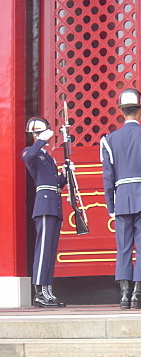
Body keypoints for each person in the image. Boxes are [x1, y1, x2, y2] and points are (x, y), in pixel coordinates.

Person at [100, 88, 141, 309]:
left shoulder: (109, 140)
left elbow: (108, 176)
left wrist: (110, 203)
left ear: (122, 111)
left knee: (124, 247)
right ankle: (138, 294)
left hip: (122, 198)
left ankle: (124, 295)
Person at [22, 116, 67, 308]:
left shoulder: (48, 158)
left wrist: (65, 175)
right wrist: (41, 139)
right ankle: (39, 291)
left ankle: (47, 290)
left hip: (54, 204)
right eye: (40, 134)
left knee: (50, 251)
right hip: (44, 205)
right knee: (42, 251)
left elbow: (56, 184)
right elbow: (29, 156)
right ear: (34, 135)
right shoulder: (31, 153)